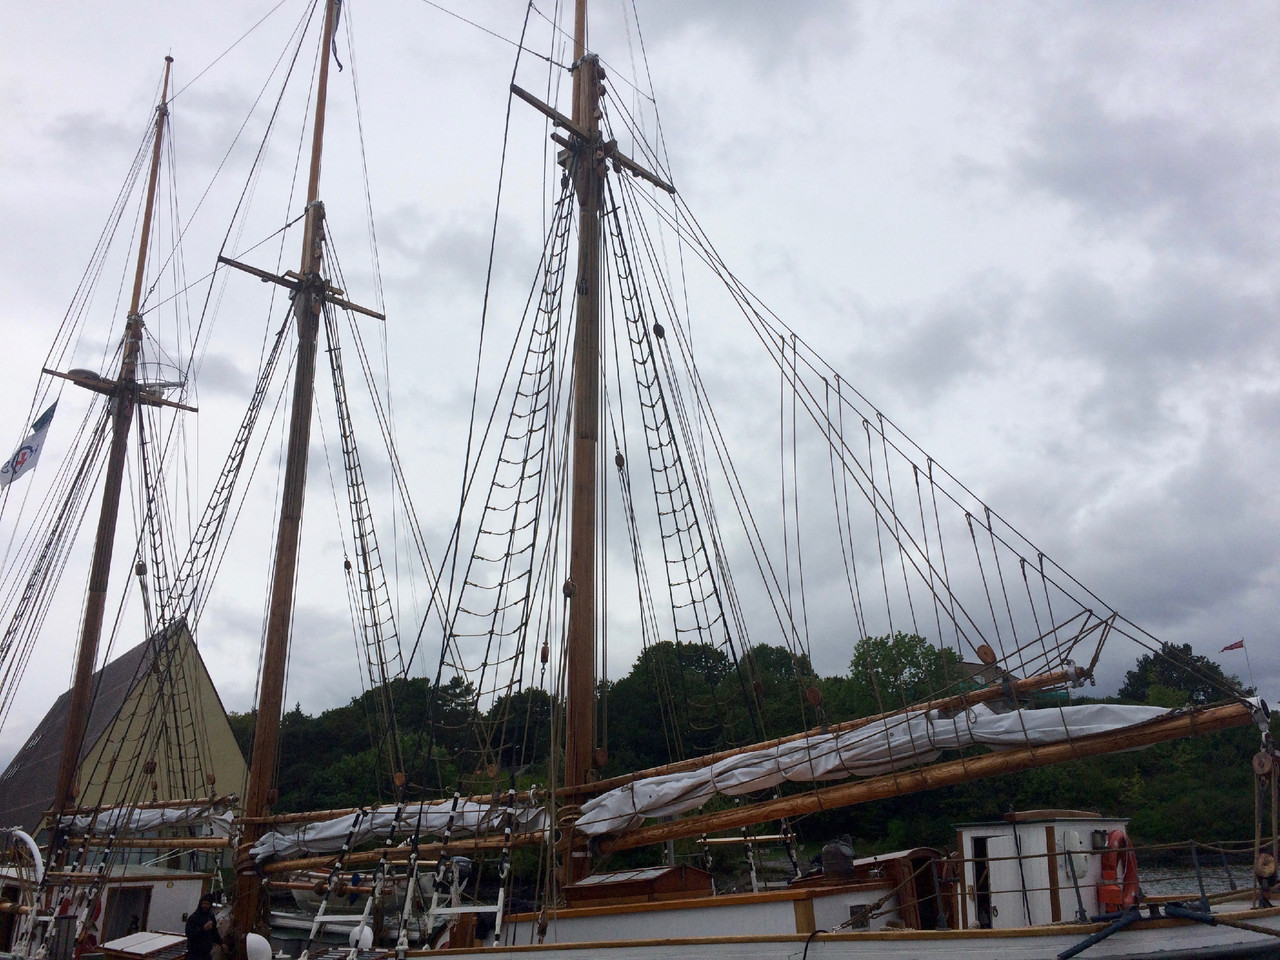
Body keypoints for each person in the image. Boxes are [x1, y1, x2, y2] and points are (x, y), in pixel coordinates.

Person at [184, 896, 222, 960]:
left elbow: (214, 933)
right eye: (204, 903)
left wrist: (221, 943)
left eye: (208, 904)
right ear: (200, 904)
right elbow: (189, 934)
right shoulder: (193, 917)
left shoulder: (211, 916)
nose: (205, 906)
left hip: (206, 954)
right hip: (194, 954)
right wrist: (203, 929)